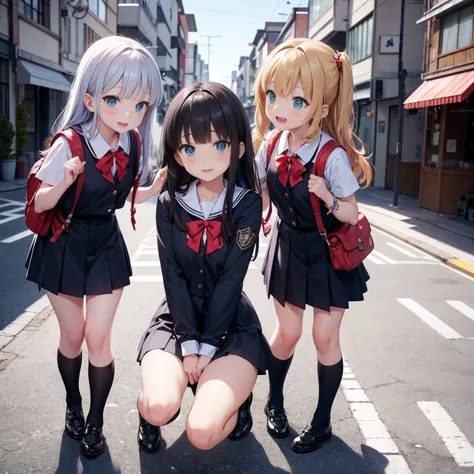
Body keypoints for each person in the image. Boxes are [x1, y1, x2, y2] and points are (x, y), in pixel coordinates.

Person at [25, 36, 165, 458]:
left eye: (139, 105)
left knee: (98, 338)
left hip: (105, 243)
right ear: (89, 98)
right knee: (73, 336)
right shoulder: (68, 143)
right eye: (115, 99)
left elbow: (119, 197)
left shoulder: (133, 143)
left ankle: (96, 423)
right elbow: (37, 203)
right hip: (63, 245)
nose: (128, 114)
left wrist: (152, 189)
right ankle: (73, 405)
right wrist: (64, 182)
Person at [136, 82, 270, 453]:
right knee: (160, 406)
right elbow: (172, 277)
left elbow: (231, 279)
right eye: (191, 147)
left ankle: (237, 400)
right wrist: (188, 342)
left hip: (230, 326)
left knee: (203, 433)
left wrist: (207, 346)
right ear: (178, 155)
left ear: (239, 148)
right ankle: (146, 414)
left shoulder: (246, 205)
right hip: (177, 320)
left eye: (220, 145)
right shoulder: (168, 204)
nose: (205, 158)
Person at [253, 39, 373, 453]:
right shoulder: (270, 146)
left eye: (295, 99)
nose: (279, 107)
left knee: (324, 338)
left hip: (325, 252)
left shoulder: (331, 157)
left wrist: (325, 195)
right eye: (273, 95)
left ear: (321, 108)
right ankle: (274, 402)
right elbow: (261, 195)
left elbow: (352, 215)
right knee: (286, 334)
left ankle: (322, 422)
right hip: (287, 246)